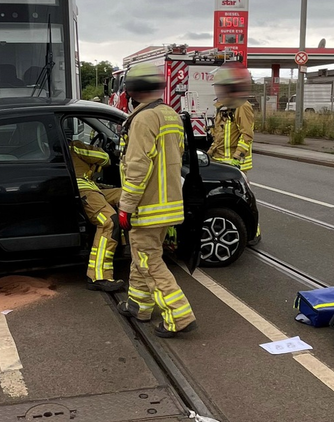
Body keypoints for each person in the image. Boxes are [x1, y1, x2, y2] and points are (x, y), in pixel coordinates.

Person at [116, 63, 197, 338]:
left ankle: (179, 315)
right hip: (168, 204)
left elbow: (137, 167)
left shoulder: (142, 119)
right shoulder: (170, 114)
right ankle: (139, 305)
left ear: (131, 91)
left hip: (147, 206)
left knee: (148, 261)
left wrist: (126, 206)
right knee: (143, 257)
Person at [207, 61, 261, 245]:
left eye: (219, 87)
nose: (216, 90)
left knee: (243, 198)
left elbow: (247, 134)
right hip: (220, 157)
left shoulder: (242, 106)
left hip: (234, 161)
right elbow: (220, 133)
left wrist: (237, 157)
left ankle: (253, 232)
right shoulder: (222, 106)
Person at [68, 131, 124, 292]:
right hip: (85, 190)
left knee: (127, 195)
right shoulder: (75, 146)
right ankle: (99, 276)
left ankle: (126, 244)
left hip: (93, 188)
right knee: (108, 221)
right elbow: (104, 159)